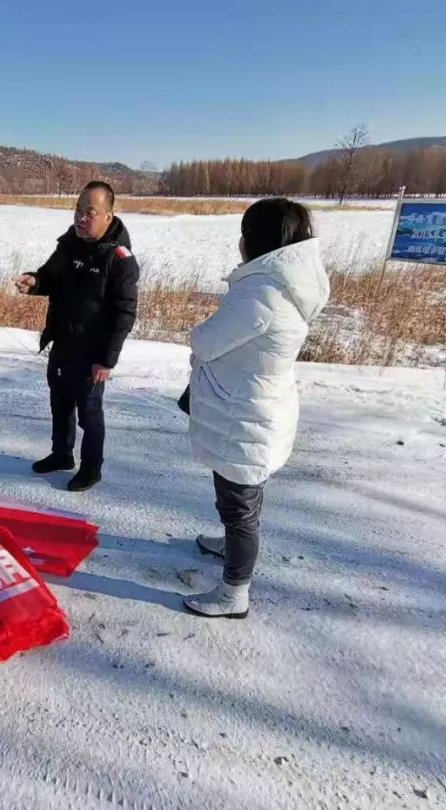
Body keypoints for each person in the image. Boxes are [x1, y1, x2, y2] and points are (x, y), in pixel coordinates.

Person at [183, 198, 330, 619]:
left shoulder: (262, 291)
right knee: (242, 495)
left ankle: (234, 593)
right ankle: (231, 548)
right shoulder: (291, 279)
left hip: (243, 413)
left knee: (239, 504)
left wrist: (199, 334)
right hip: (256, 403)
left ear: (258, 240)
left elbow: (206, 341)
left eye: (245, 233)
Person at [15, 181, 139, 492]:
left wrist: (106, 359)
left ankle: (91, 468)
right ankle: (61, 454)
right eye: (78, 211)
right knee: (60, 403)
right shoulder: (69, 245)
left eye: (90, 213)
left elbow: (124, 314)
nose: (81, 219)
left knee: (90, 414)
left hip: (92, 352)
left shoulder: (120, 260)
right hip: (63, 342)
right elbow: (50, 276)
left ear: (108, 216)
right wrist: (34, 281)